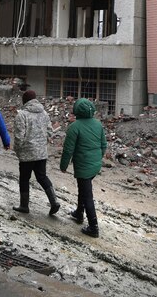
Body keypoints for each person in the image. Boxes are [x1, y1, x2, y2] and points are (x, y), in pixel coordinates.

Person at [60, 98, 107, 238]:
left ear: (76, 111)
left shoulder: (75, 127)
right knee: (83, 188)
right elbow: (104, 145)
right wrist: (98, 158)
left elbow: (68, 150)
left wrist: (63, 165)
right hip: (95, 164)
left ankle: (93, 227)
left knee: (87, 195)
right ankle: (79, 213)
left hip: (83, 165)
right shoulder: (98, 124)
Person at [11, 89, 60, 215]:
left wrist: (17, 150)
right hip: (41, 153)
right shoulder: (44, 113)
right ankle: (54, 201)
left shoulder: (21, 115)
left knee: (24, 179)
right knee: (42, 177)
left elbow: (19, 136)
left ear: (25, 101)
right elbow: (50, 132)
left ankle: (24, 206)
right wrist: (42, 142)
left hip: (27, 154)